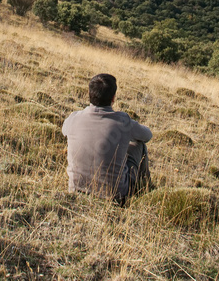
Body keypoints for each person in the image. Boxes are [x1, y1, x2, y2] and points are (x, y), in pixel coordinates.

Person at [62, 73, 152, 205]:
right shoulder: (123, 121)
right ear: (113, 98)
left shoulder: (74, 118)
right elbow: (147, 136)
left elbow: (64, 131)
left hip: (76, 189)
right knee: (139, 145)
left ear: (90, 94)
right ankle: (145, 189)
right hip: (115, 195)